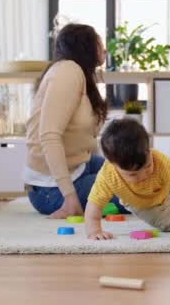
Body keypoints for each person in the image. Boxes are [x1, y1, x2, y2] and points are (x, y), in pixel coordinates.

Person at [23, 23, 128, 219]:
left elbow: (85, 136)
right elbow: (48, 135)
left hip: (80, 166)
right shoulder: (67, 72)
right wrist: (69, 198)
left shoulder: (77, 74)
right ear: (86, 47)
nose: (104, 49)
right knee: (138, 189)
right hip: (52, 190)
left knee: (136, 170)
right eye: (99, 43)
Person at [84, 119, 170, 240]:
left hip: (164, 190)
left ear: (149, 149)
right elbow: (94, 205)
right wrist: (94, 231)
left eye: (148, 166)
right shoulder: (108, 175)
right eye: (133, 174)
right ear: (112, 164)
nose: (144, 175)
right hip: (144, 205)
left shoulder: (159, 160)